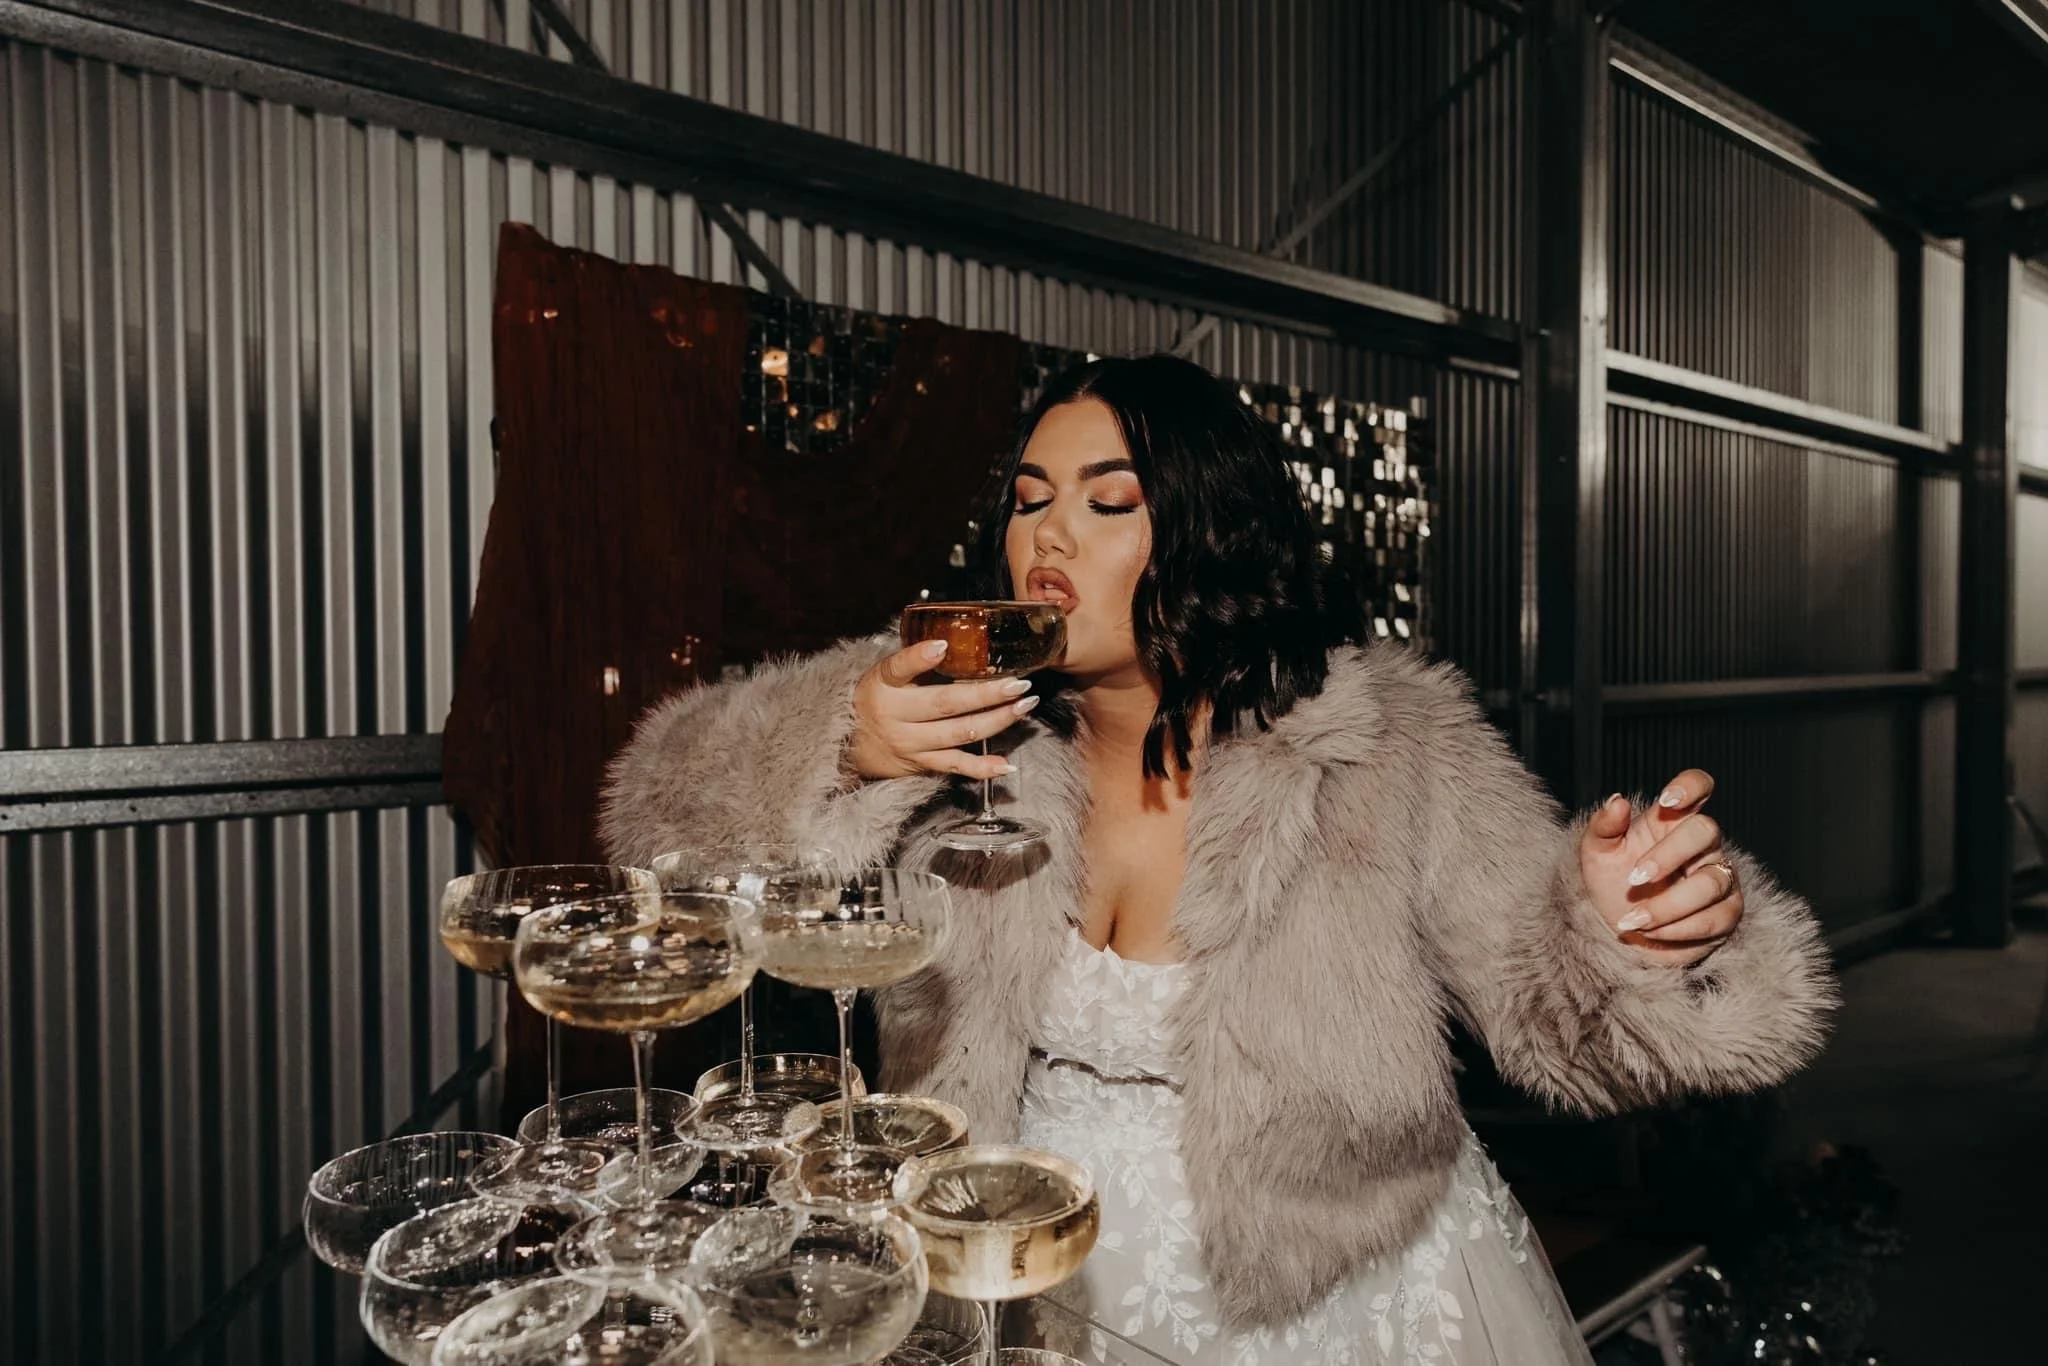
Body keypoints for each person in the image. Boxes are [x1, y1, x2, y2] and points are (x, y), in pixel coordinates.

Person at [602, 354, 1837, 1364]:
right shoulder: (948, 727)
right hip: (1020, 1266)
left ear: (1205, 525)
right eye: (1029, 497)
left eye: (1107, 500)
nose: (1049, 536)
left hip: (1333, 1286)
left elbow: (1546, 1000)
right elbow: (658, 831)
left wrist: (1632, 931)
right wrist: (841, 744)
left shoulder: (1380, 745)